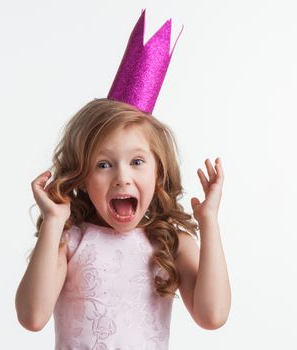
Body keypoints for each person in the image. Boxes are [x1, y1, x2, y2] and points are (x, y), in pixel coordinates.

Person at [15, 9, 231, 350]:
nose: (122, 177)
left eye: (137, 161)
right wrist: (54, 223)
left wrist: (209, 223)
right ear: (83, 176)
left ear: (158, 171)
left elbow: (213, 314)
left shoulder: (172, 244)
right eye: (103, 164)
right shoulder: (69, 242)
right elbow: (32, 316)